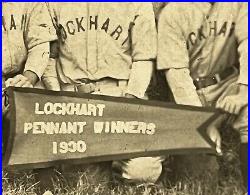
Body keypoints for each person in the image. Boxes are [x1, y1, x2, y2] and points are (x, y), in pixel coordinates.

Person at [42, 2, 164, 185]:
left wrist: (130, 100)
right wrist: (58, 99)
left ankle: (117, 162)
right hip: (76, 99)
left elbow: (143, 59)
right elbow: (50, 57)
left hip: (121, 94)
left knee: (143, 172)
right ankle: (102, 163)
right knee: (86, 182)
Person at [157, 2, 248, 188]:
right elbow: (177, 76)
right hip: (189, 95)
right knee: (197, 183)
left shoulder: (238, 4)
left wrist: (244, 91)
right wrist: (201, 122)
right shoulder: (172, 12)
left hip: (227, 84)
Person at [2, 2, 56, 164]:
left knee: (39, 112)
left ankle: (44, 185)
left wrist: (28, 78)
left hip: (21, 75)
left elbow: (39, 45)